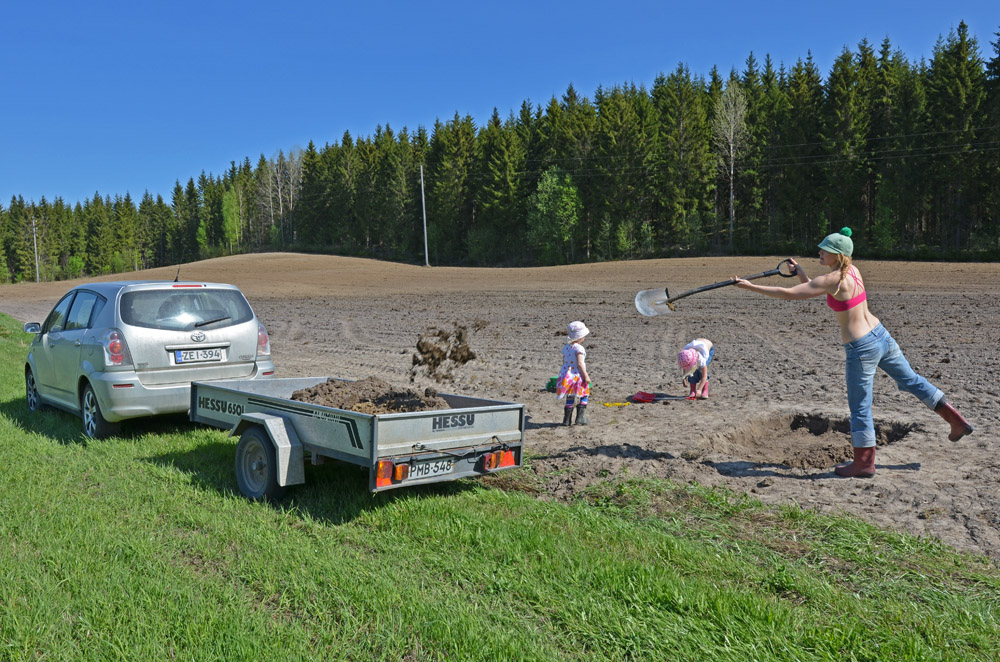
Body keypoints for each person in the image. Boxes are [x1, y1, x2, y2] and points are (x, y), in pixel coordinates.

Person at [730, 227, 973, 478]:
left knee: (860, 407)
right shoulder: (852, 272)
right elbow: (815, 288)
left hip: (861, 347)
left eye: (824, 250)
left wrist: (750, 286)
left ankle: (864, 463)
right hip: (882, 336)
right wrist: (801, 272)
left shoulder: (831, 279)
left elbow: (790, 295)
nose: (819, 253)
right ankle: (956, 420)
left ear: (837, 254)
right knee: (911, 380)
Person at [557, 321, 591, 426]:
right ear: (580, 337)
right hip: (577, 376)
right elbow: (580, 364)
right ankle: (580, 418)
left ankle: (566, 420)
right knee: (584, 395)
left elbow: (564, 362)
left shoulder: (566, 347)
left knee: (570, 396)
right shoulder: (579, 348)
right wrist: (586, 376)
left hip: (568, 376)